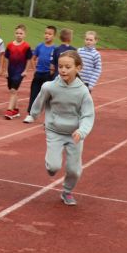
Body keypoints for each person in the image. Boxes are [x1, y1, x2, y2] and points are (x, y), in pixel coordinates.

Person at [28, 51, 95, 206]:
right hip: (54, 131)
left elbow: (88, 115)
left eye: (68, 67)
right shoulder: (50, 87)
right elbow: (39, 102)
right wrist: (34, 115)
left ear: (78, 68)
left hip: (75, 134)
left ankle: (67, 192)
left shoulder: (83, 91)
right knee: (53, 167)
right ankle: (52, 167)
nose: (63, 70)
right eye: (60, 66)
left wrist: (81, 131)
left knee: (74, 170)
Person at [24, 25, 57, 123]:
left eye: (50, 34)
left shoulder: (55, 48)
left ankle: (49, 118)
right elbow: (33, 58)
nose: (47, 35)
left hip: (49, 75)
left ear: (54, 36)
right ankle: (30, 114)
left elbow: (57, 62)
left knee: (49, 97)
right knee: (34, 94)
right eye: (46, 33)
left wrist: (53, 71)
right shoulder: (39, 46)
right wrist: (35, 69)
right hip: (38, 74)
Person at [3, 24, 33, 119]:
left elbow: (29, 59)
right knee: (12, 90)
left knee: (13, 90)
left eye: (21, 33)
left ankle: (9, 110)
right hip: (10, 71)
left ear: (24, 35)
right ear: (14, 34)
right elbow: (6, 58)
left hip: (19, 72)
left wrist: (25, 71)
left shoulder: (26, 46)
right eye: (17, 33)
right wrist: (5, 70)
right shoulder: (10, 45)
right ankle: (16, 110)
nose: (19, 35)